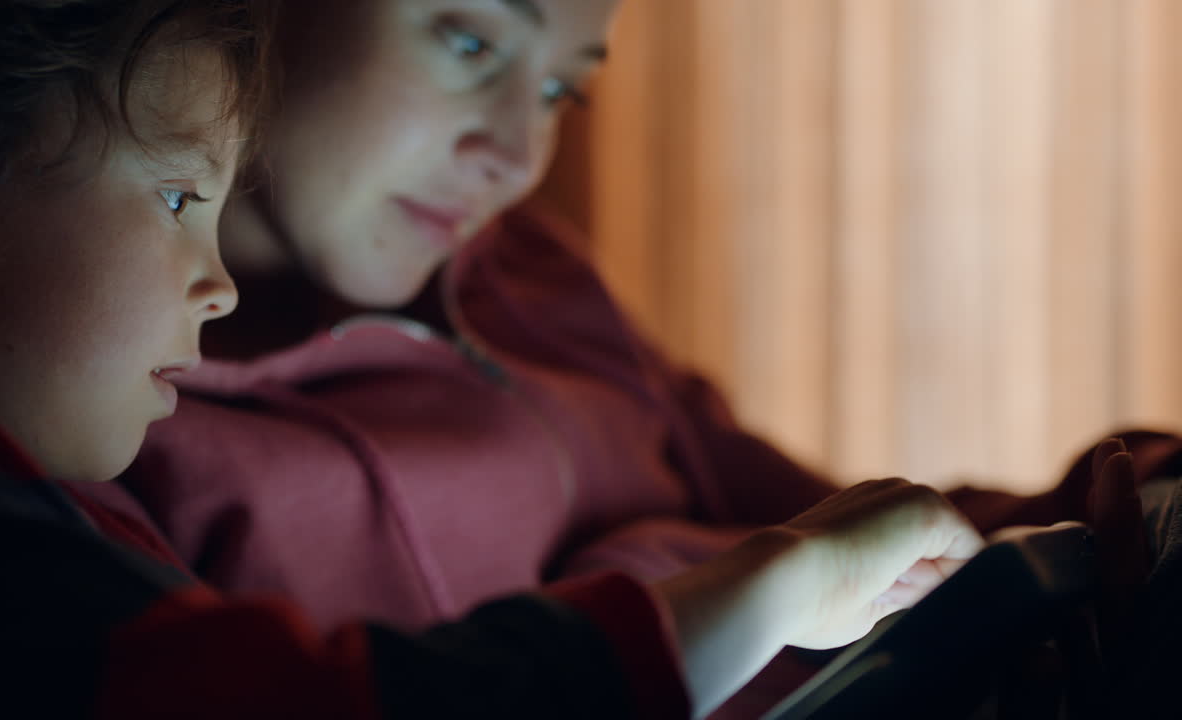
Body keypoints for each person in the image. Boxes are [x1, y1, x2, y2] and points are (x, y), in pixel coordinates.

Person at [85, 0, 1182, 713]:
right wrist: (691, 572)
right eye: (469, 41)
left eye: (563, 87)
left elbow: (870, 526)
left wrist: (1117, 490)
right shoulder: (99, 398)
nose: (515, 156)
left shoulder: (522, 276)